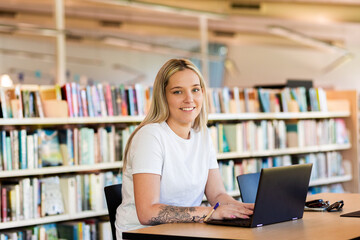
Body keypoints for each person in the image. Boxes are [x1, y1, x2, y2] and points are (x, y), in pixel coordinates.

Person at [115, 58, 254, 239]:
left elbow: (217, 194)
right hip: (142, 234)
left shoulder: (202, 135)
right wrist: (209, 213)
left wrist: (243, 209)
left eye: (195, 90)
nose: (189, 99)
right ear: (163, 96)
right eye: (178, 91)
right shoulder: (150, 137)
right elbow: (147, 212)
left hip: (185, 231)